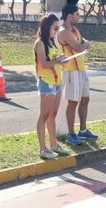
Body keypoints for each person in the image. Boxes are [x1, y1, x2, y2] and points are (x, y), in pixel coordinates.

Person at [57, 4, 98, 145]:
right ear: (69, 16)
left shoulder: (74, 30)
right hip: (71, 71)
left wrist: (84, 44)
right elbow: (80, 47)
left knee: (85, 99)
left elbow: (82, 45)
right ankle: (71, 134)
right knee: (73, 102)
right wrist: (85, 44)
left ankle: (83, 130)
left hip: (81, 69)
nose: (78, 16)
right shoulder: (63, 32)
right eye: (77, 14)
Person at [34, 14, 70, 159]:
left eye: (58, 28)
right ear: (47, 26)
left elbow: (53, 61)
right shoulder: (40, 43)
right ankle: (43, 149)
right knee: (44, 115)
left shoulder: (50, 42)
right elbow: (44, 64)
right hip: (47, 83)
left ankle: (54, 145)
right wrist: (58, 60)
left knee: (52, 115)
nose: (57, 31)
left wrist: (61, 61)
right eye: (55, 28)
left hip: (57, 82)